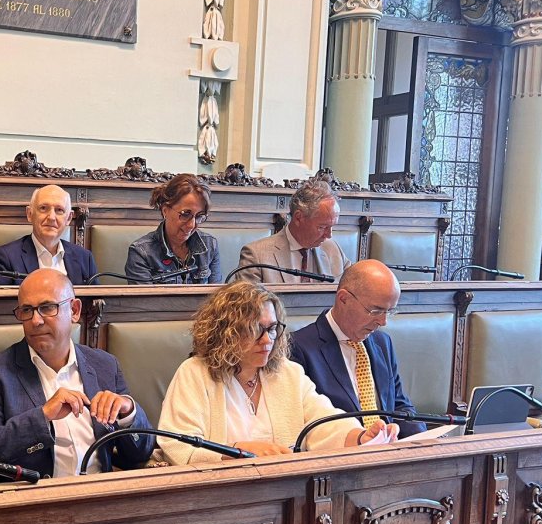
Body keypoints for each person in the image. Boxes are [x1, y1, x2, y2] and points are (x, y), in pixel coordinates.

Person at [158, 281, 397, 465]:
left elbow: (323, 422)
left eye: (272, 329)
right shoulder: (194, 373)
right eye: (255, 330)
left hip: (283, 495)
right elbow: (177, 447)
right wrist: (234, 452)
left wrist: (359, 437)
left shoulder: (288, 373)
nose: (267, 340)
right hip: (218, 497)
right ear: (226, 333)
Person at [0, 269, 154, 478]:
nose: (36, 320)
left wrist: (128, 413)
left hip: (100, 496)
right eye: (27, 310)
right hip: (35, 500)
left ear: (74, 310)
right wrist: (42, 417)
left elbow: (140, 453)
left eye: (47, 307)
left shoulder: (105, 365)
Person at [290, 259, 426, 437]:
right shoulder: (298, 348)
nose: (383, 321)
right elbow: (304, 424)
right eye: (376, 311)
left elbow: (400, 406)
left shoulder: (382, 342)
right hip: (339, 456)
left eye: (389, 311)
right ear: (344, 298)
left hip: (388, 454)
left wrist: (422, 441)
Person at [235, 179, 350, 283]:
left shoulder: (333, 249)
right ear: (298, 218)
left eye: (332, 227)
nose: (329, 235)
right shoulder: (256, 255)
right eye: (322, 227)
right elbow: (247, 305)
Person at [0, 184, 99, 285]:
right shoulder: (5, 258)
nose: (51, 217)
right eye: (43, 208)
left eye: (59, 210)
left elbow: (95, 304)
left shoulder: (84, 258)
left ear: (69, 218)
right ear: (30, 214)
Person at [124, 174, 221, 284]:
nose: (192, 225)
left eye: (199, 216)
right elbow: (144, 301)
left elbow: (217, 298)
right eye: (185, 214)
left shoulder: (210, 245)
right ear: (165, 211)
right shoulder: (141, 252)